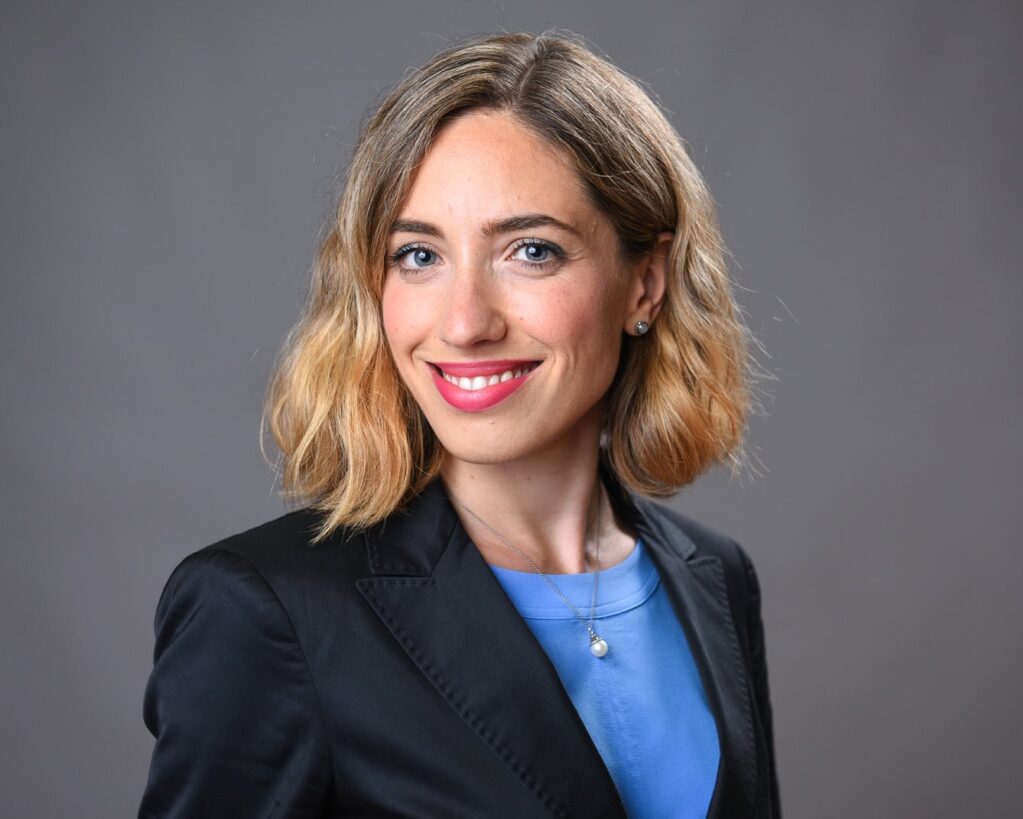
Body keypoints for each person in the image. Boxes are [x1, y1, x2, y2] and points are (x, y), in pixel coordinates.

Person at [138, 31, 780, 819]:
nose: (466, 322)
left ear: (645, 284)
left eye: (531, 250)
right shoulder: (268, 610)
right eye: (418, 256)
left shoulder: (716, 578)